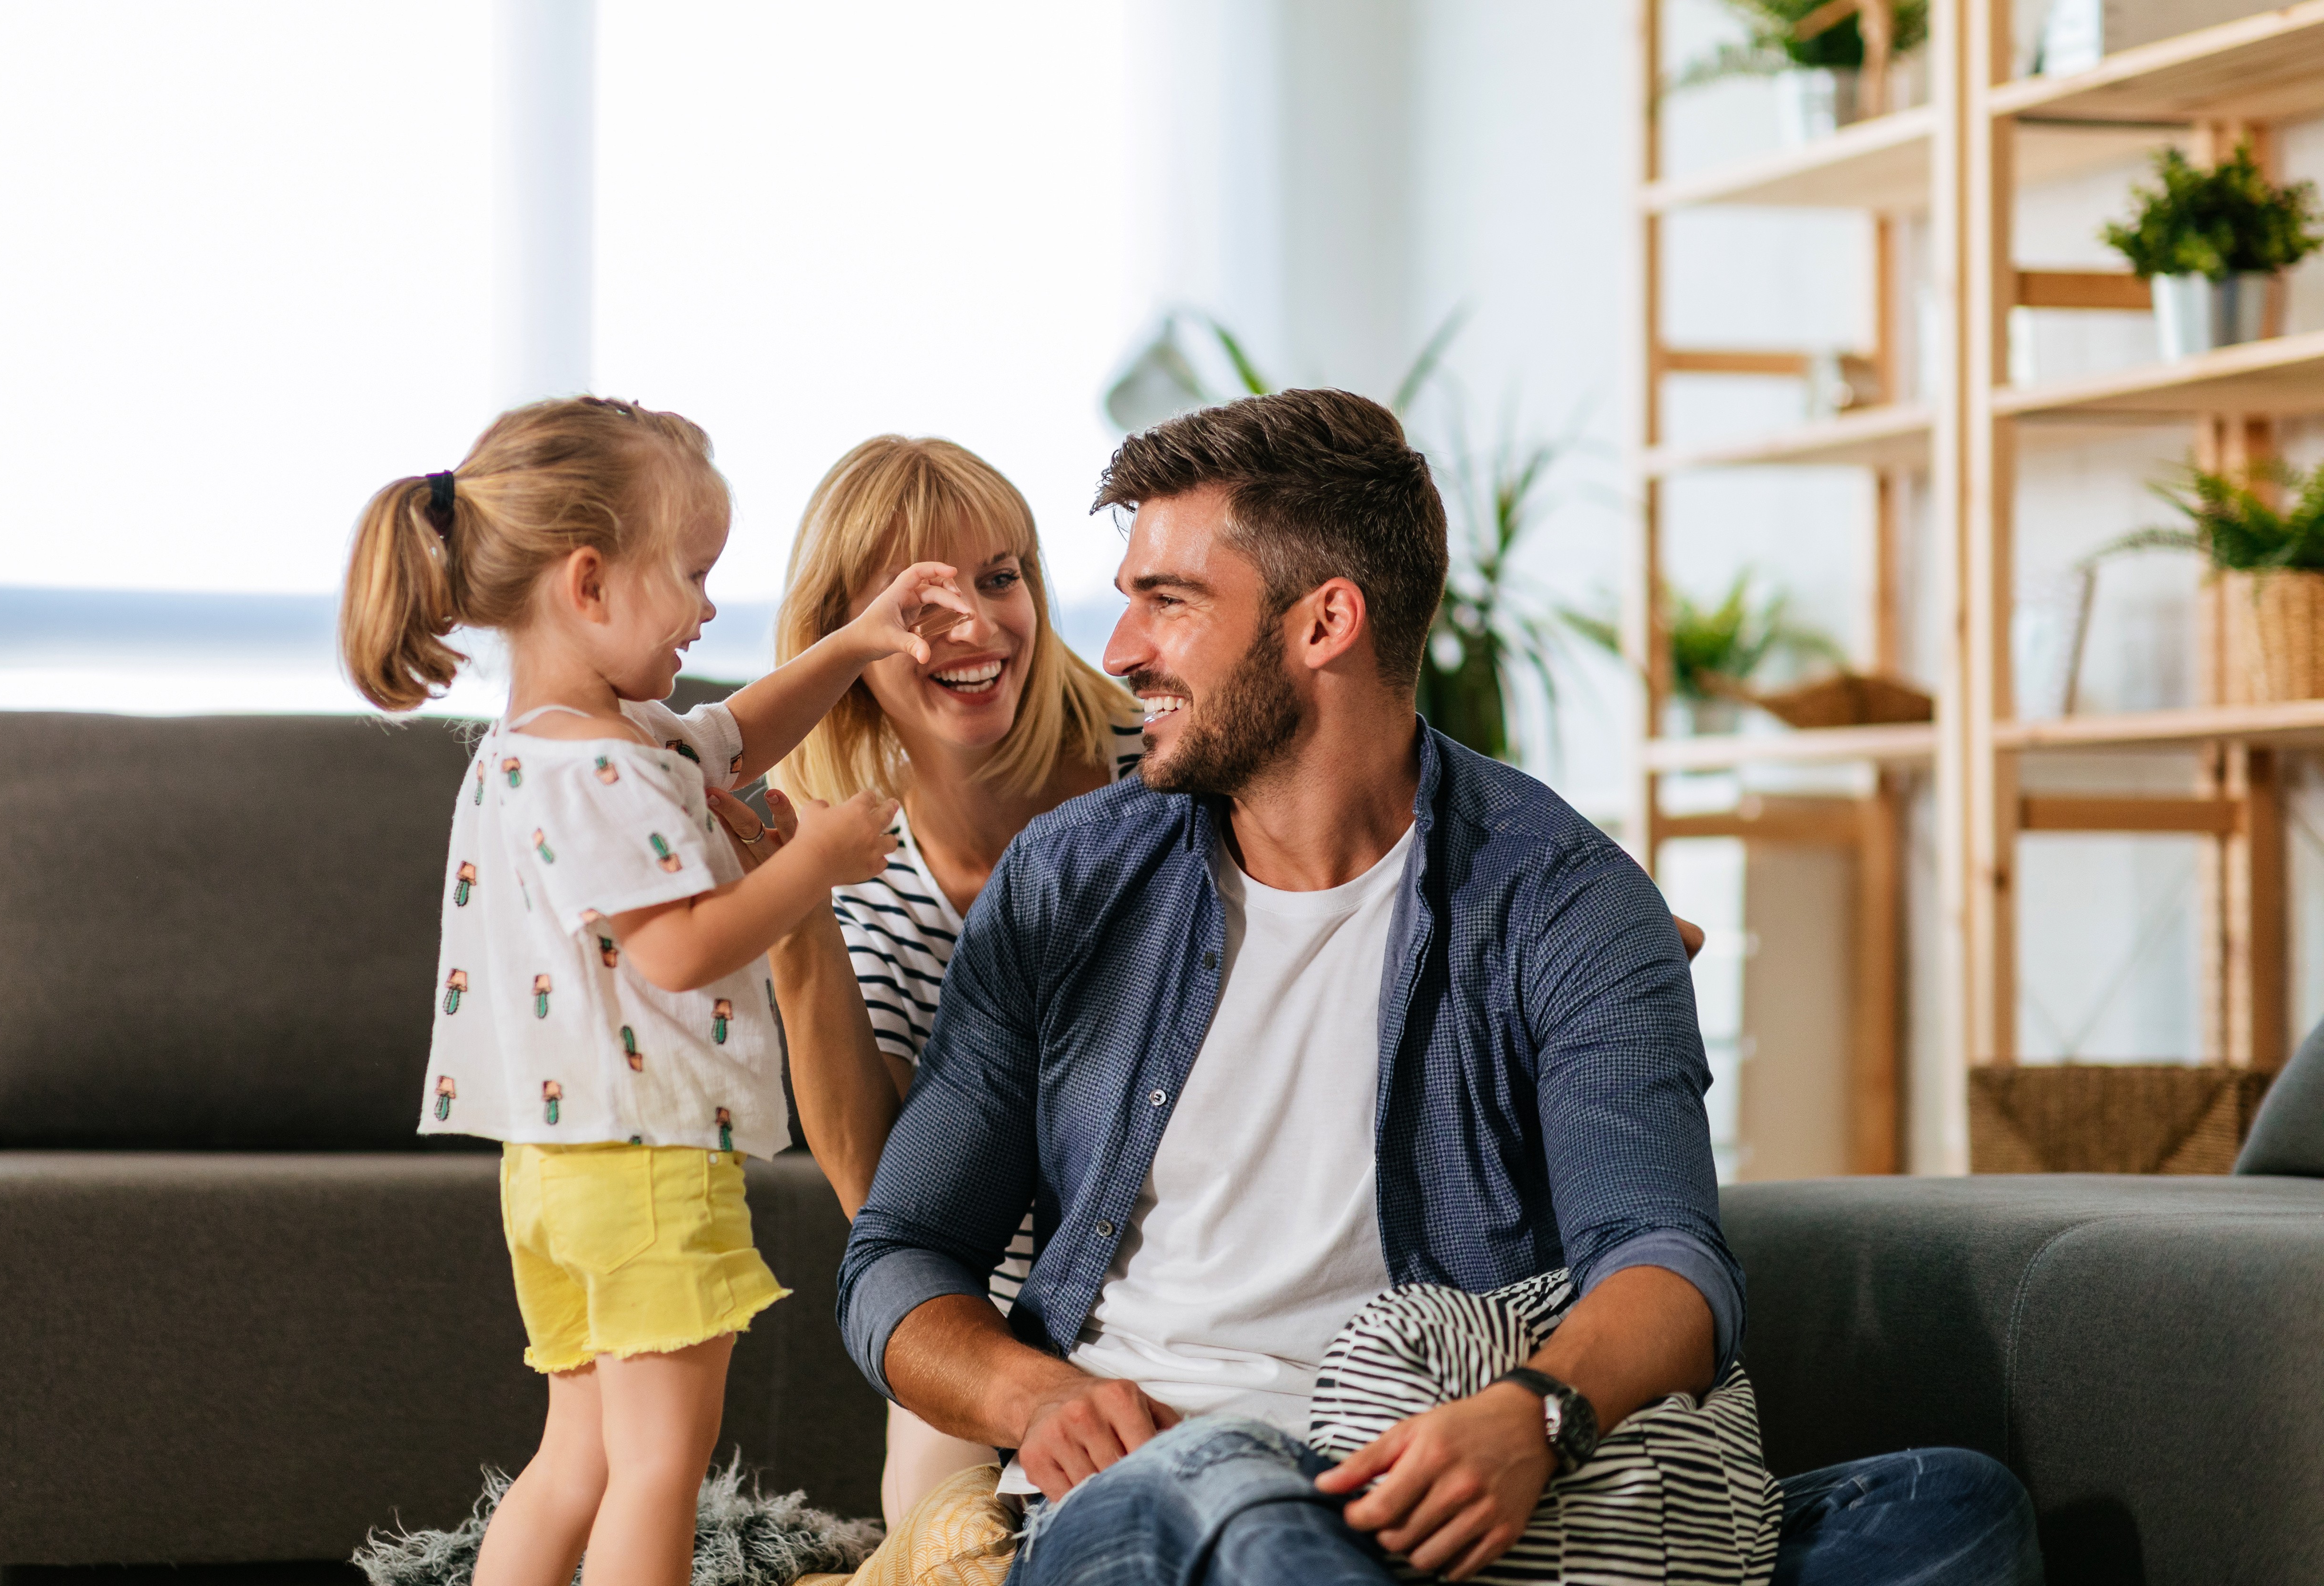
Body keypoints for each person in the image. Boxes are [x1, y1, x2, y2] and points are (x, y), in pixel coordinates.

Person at [834, 390, 2043, 1586]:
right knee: (1242, 1499)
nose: (1120, 648)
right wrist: (1033, 1390)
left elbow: (1666, 1258)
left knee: (1951, 1509)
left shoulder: (1564, 897)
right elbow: (900, 1249)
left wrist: (1533, 1415)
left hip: (1447, 1488)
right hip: (1162, 1491)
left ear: (1326, 622)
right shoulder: (1070, 881)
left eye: (1169, 600)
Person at [339, 395, 978, 1586]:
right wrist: (818, 862)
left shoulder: (556, 746)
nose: (705, 605)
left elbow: (734, 733)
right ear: (589, 584)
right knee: (657, 1472)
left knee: (574, 1458)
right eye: (689, 574)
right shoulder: (603, 770)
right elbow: (677, 949)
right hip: (646, 1170)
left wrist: (851, 646)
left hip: (554, 1172)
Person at [756, 436, 1143, 1525]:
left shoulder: (1155, 761)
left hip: (1178, 1275)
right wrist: (792, 921)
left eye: (1001, 576)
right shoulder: (850, 865)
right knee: (933, 1520)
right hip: (979, 1321)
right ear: (843, 640)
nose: (976, 625)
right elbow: (888, 1198)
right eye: (920, 600)